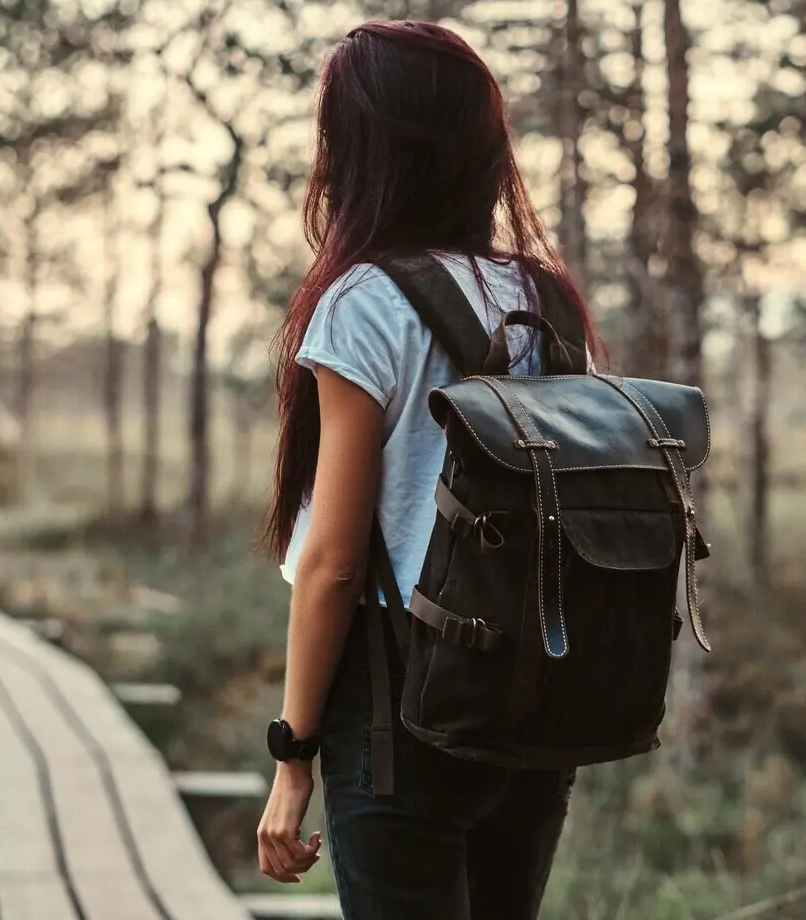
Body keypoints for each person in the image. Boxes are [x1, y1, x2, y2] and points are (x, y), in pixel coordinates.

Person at [255, 20, 599, 920]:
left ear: (364, 149)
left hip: (401, 710)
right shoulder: (543, 294)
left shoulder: (366, 303)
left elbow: (331, 563)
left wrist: (293, 757)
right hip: (534, 704)